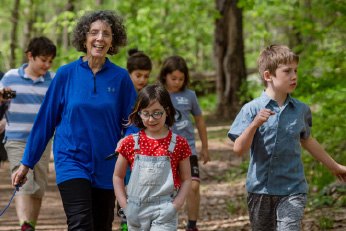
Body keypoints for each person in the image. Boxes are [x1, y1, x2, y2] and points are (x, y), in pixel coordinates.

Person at [11, 10, 137, 231]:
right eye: (94, 32)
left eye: (106, 34)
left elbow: (133, 123)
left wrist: (126, 146)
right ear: (84, 37)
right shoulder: (65, 74)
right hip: (71, 160)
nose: (100, 38)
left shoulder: (121, 78)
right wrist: (26, 163)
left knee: (101, 225)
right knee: (79, 224)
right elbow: (45, 121)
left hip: (108, 163)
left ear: (112, 41)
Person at [227, 45, 346, 231]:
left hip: (293, 189)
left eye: (296, 71)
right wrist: (254, 125)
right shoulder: (250, 109)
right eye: (287, 71)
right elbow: (238, 149)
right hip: (260, 190)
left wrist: (335, 166)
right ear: (268, 76)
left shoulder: (301, 110)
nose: (294, 76)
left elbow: (308, 141)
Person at [113, 84, 192, 231]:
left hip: (164, 210)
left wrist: (175, 206)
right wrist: (126, 206)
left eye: (157, 113)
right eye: (146, 113)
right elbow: (118, 176)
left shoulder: (179, 143)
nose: (151, 119)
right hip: (135, 210)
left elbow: (187, 179)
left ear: (167, 111)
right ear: (139, 113)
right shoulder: (129, 142)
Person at [0, 36, 56, 231]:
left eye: (50, 61)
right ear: (30, 56)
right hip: (16, 139)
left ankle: (30, 225)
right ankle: (24, 224)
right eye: (43, 60)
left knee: (38, 186)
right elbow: (5, 104)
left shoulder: (53, 79)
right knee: (23, 180)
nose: (47, 65)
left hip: (42, 141)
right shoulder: (10, 77)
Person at [157, 55, 210, 231]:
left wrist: (205, 147)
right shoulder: (157, 93)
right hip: (162, 150)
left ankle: (192, 225)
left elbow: (200, 120)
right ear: (165, 75)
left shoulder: (190, 95)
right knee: (166, 191)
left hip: (187, 149)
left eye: (181, 79)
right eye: (173, 78)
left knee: (193, 186)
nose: (177, 82)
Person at [116, 48, 153, 231]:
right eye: (138, 75)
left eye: (146, 76)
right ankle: (126, 223)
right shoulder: (121, 92)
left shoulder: (149, 95)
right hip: (125, 151)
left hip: (146, 151)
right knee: (126, 187)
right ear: (129, 72)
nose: (142, 80)